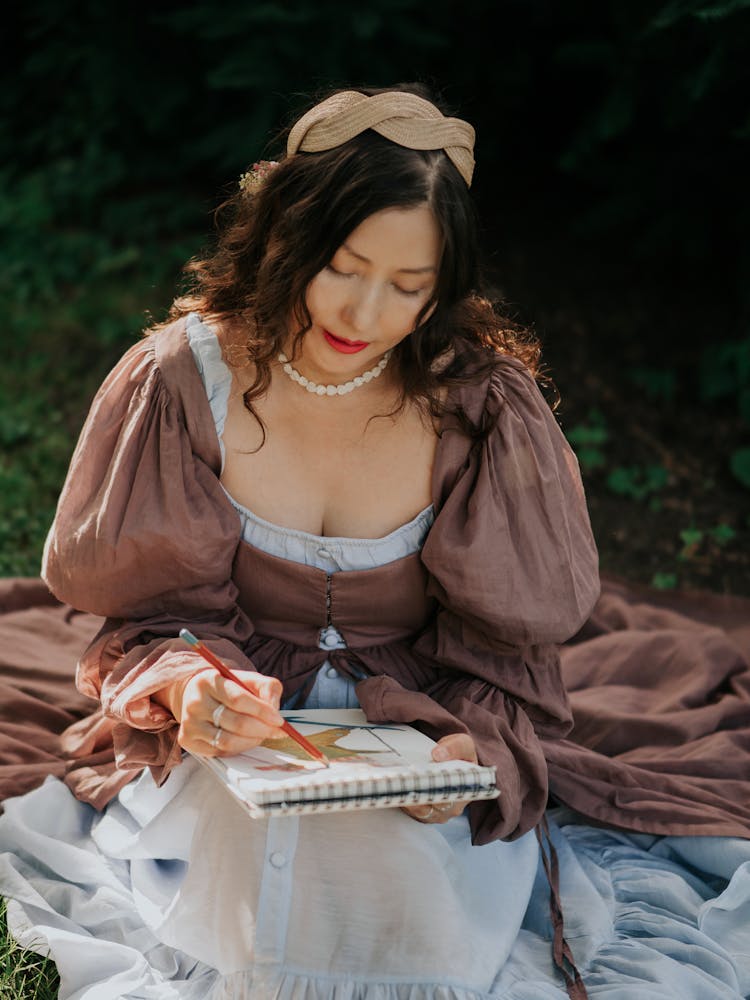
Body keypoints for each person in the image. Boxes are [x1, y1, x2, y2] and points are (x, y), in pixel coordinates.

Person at [1, 83, 749, 1000]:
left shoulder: (478, 406)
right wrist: (195, 691)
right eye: (345, 266)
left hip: (417, 724)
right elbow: (153, 614)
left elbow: (505, 653)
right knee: (259, 878)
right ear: (288, 235)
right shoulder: (183, 381)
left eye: (409, 287)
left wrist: (469, 750)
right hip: (239, 748)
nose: (364, 315)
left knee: (392, 880)